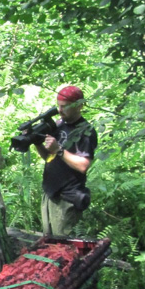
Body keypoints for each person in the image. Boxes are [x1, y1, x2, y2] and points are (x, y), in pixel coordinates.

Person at [36, 85, 98, 237]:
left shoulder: (86, 131)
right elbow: (48, 158)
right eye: (58, 106)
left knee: (64, 247)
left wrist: (59, 149)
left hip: (67, 198)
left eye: (64, 107)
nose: (60, 110)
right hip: (51, 193)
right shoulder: (58, 125)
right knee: (49, 243)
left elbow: (83, 166)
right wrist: (36, 140)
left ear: (79, 105)